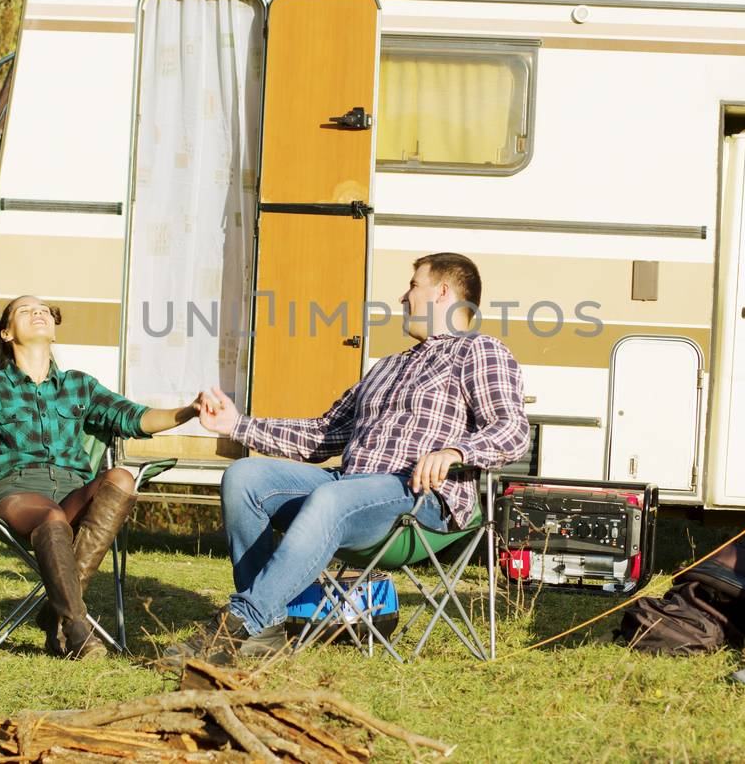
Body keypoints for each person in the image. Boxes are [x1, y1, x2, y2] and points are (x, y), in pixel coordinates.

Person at [162, 252, 529, 666]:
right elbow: (322, 435)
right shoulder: (388, 366)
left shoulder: (479, 351)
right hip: (348, 487)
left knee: (331, 500)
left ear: (443, 292)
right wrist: (237, 425)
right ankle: (264, 629)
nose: (402, 298)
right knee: (245, 477)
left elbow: (512, 431)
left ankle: (237, 626)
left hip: (414, 497)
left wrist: (456, 451)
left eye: (413, 286)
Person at [0, 295, 200, 659]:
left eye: (44, 310)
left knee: (121, 478)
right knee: (51, 518)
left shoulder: (80, 386)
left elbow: (135, 418)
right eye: (25, 310)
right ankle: (77, 627)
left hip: (72, 490)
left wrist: (188, 411)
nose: (38, 313)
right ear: (4, 332)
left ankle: (54, 612)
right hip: (17, 492)